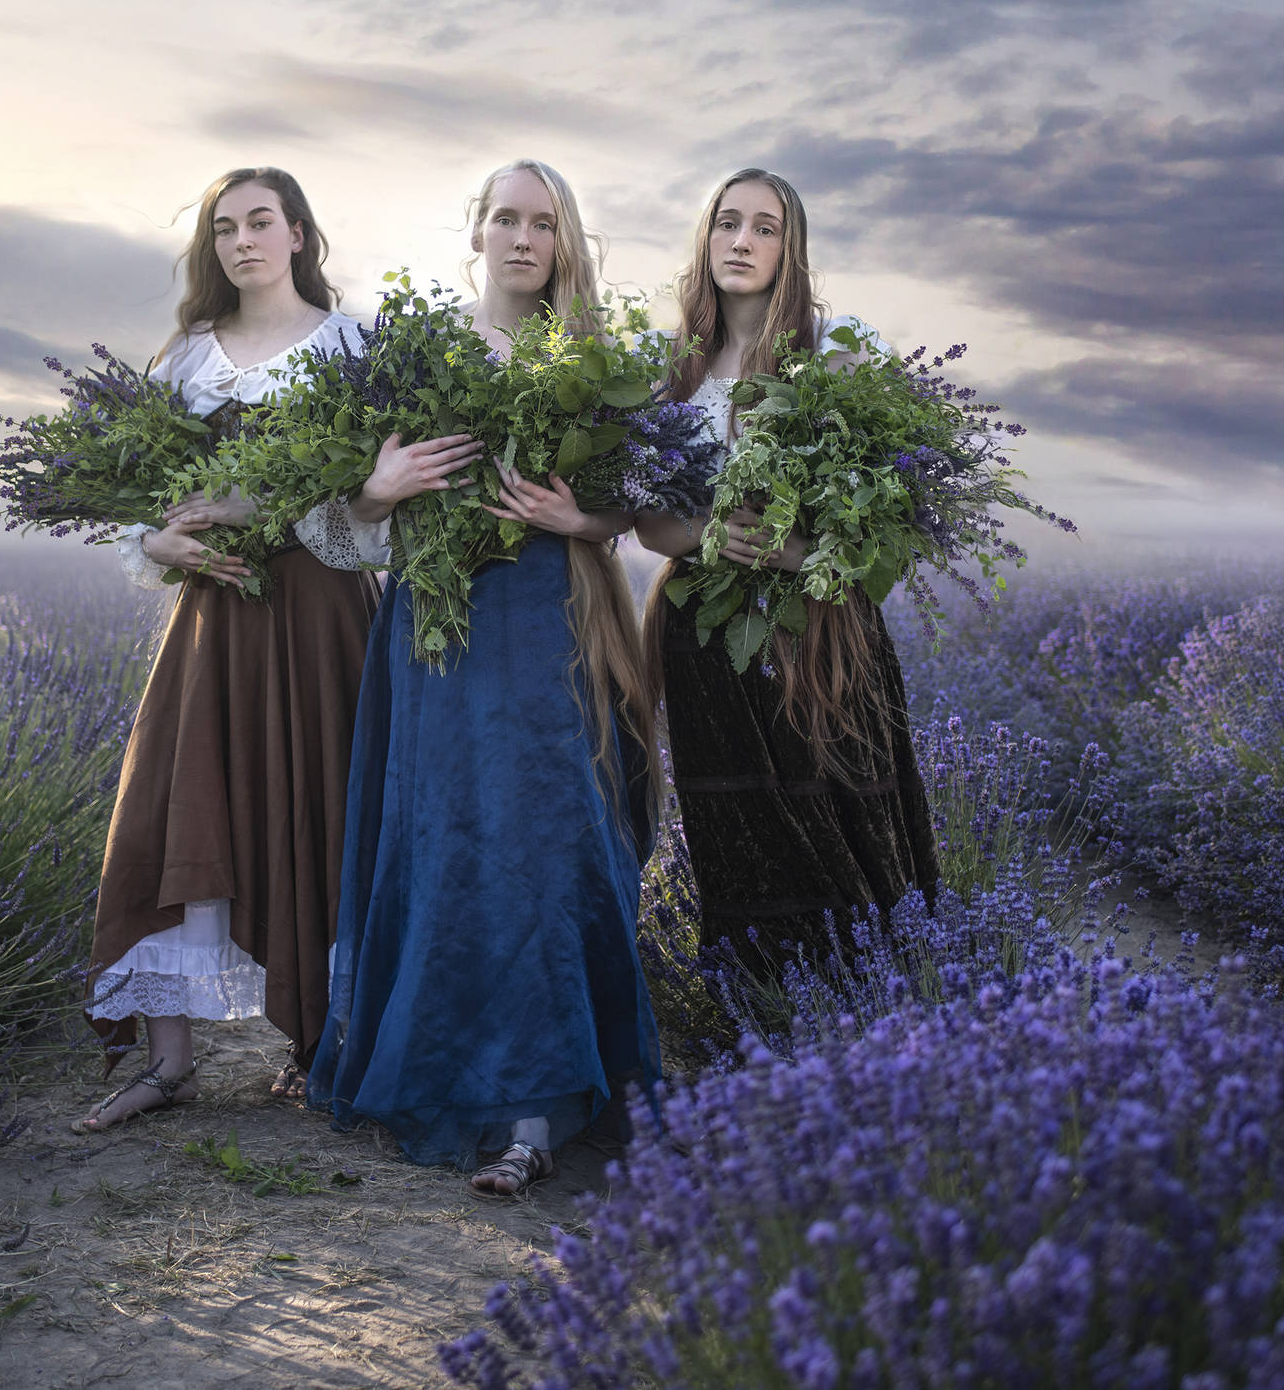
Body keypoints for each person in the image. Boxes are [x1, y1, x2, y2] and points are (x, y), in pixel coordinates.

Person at [309, 159, 662, 1197]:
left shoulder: (593, 362)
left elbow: (642, 501)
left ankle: (532, 1110)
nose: (521, 237)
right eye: (504, 218)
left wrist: (578, 517)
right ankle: (445, 1068)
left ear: (563, 242)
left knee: (541, 844)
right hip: (436, 633)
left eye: (542, 223)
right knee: (448, 843)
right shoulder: (411, 352)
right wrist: (379, 487)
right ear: (475, 231)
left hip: (550, 624)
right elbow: (335, 517)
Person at [74, 167, 385, 1131]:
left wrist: (269, 509)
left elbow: (374, 501)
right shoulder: (185, 359)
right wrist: (156, 542)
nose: (242, 240)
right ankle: (169, 1064)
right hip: (213, 618)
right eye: (224, 228)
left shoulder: (351, 346)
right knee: (170, 811)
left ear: (298, 235)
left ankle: (320, 1046)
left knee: (321, 807)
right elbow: (137, 495)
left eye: (260, 222)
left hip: (321, 609)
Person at [633, 168, 940, 986]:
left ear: (789, 248)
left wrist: (798, 554)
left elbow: (896, 517)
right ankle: (766, 1006)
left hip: (822, 632)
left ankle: (883, 1003)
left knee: (849, 818)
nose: (742, 241)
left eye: (764, 228)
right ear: (705, 238)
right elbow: (648, 524)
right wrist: (713, 534)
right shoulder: (673, 371)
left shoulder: (838, 351)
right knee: (742, 830)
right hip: (707, 640)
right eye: (727, 223)